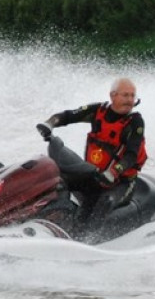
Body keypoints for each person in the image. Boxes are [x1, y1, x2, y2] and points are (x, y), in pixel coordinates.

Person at [37, 77, 147, 222]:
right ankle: (51, 220)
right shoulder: (97, 111)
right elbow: (68, 116)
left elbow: (131, 156)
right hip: (94, 175)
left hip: (121, 182)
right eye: (125, 95)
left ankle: (90, 240)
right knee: (57, 183)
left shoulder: (135, 122)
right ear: (113, 95)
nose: (130, 100)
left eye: (133, 96)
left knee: (105, 202)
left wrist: (114, 172)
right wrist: (49, 124)